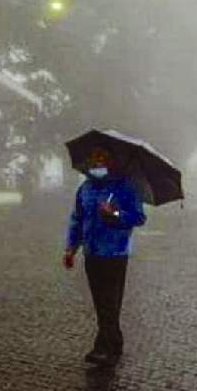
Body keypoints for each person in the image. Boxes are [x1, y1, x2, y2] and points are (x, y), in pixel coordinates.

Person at [63, 147, 147, 367]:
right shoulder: (85, 189)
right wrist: (71, 248)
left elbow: (139, 217)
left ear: (110, 163)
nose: (97, 165)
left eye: (101, 160)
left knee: (110, 302)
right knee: (100, 302)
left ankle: (105, 348)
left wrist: (115, 213)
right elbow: (77, 219)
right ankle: (113, 342)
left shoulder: (125, 187)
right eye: (94, 161)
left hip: (115, 253)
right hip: (92, 253)